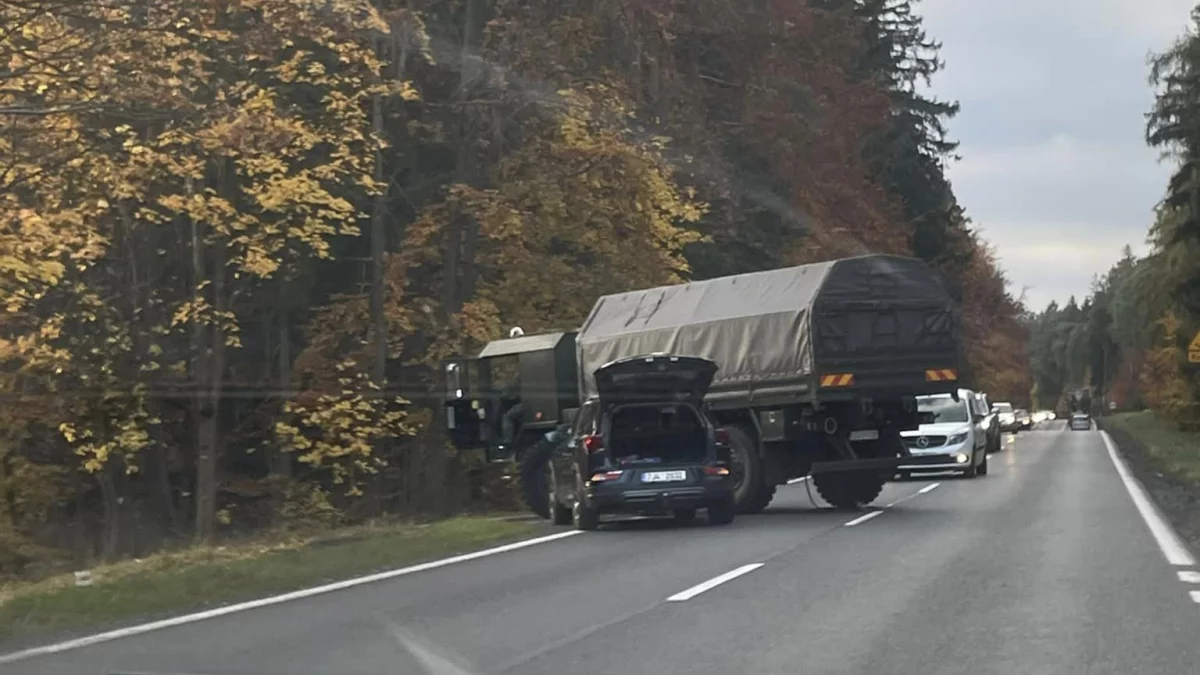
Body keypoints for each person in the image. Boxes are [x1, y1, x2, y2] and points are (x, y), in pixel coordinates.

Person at [499, 375, 526, 446]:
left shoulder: (519, 379)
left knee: (507, 417)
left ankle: (507, 440)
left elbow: (508, 394)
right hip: (528, 403)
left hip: (525, 404)